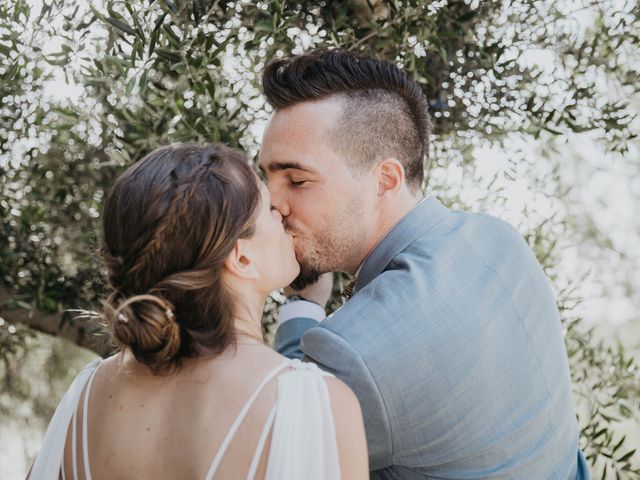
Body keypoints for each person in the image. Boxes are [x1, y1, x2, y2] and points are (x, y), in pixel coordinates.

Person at [260, 48, 591, 479]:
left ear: (385, 180)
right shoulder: (499, 238)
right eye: (266, 178)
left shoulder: (353, 354)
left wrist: (300, 306)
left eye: (297, 180)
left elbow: (279, 449)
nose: (271, 203)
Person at [28, 143, 368, 480]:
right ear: (242, 258)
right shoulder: (315, 404)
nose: (283, 212)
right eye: (269, 210)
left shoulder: (86, 397)